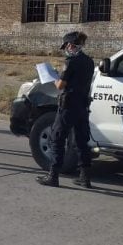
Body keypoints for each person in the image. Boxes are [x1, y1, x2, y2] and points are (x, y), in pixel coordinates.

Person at [36, 31, 95, 188]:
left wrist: (54, 76)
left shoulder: (70, 62)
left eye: (66, 46)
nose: (66, 49)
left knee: (57, 138)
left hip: (68, 106)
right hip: (83, 105)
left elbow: (60, 85)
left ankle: (53, 176)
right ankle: (85, 177)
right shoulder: (89, 62)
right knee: (82, 141)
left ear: (70, 45)